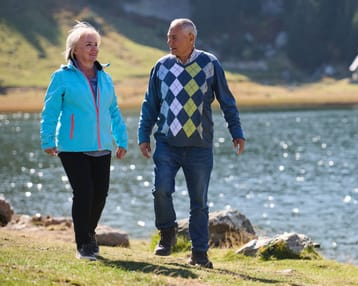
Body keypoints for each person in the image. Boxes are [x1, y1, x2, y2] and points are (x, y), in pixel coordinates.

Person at [138, 18, 245, 268]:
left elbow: (227, 101)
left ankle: (199, 253)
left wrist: (236, 131)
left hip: (199, 146)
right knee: (161, 190)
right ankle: (167, 233)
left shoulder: (210, 63)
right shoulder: (161, 66)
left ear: (191, 39)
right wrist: (143, 135)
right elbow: (149, 104)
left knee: (199, 202)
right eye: (168, 37)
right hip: (166, 143)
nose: (169, 42)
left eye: (174, 37)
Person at [40, 21, 128, 261]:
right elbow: (50, 111)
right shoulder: (62, 77)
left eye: (96, 44)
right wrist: (47, 138)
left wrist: (121, 140)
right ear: (74, 50)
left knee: (100, 194)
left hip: (102, 146)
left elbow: (114, 111)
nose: (94, 49)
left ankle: (89, 234)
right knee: (84, 192)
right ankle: (84, 244)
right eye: (88, 44)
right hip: (72, 146)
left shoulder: (105, 77)